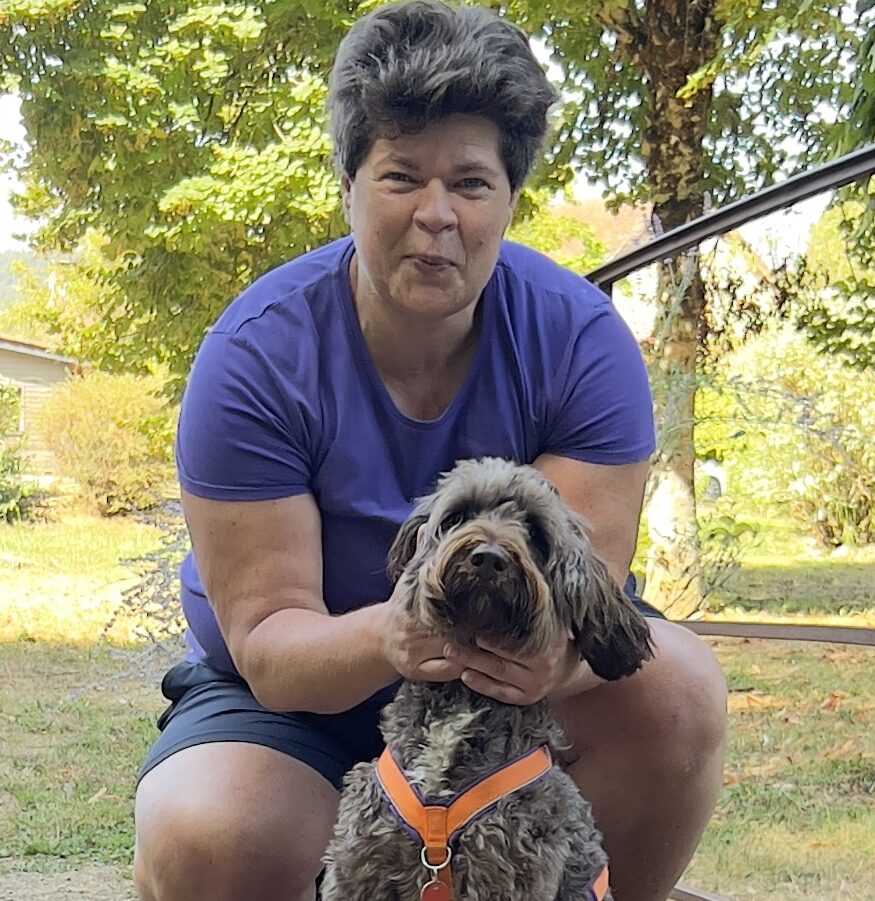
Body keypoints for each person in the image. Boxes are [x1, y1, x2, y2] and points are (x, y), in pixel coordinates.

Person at [132, 2, 727, 900]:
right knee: (210, 834)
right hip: (298, 698)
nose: (436, 215)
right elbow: (269, 641)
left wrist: (547, 661)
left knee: (677, 687)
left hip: (512, 691)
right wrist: (394, 633)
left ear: (510, 199)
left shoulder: (581, 342)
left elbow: (584, 594)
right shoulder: (253, 355)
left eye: (472, 182)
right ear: (349, 184)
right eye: (401, 176)